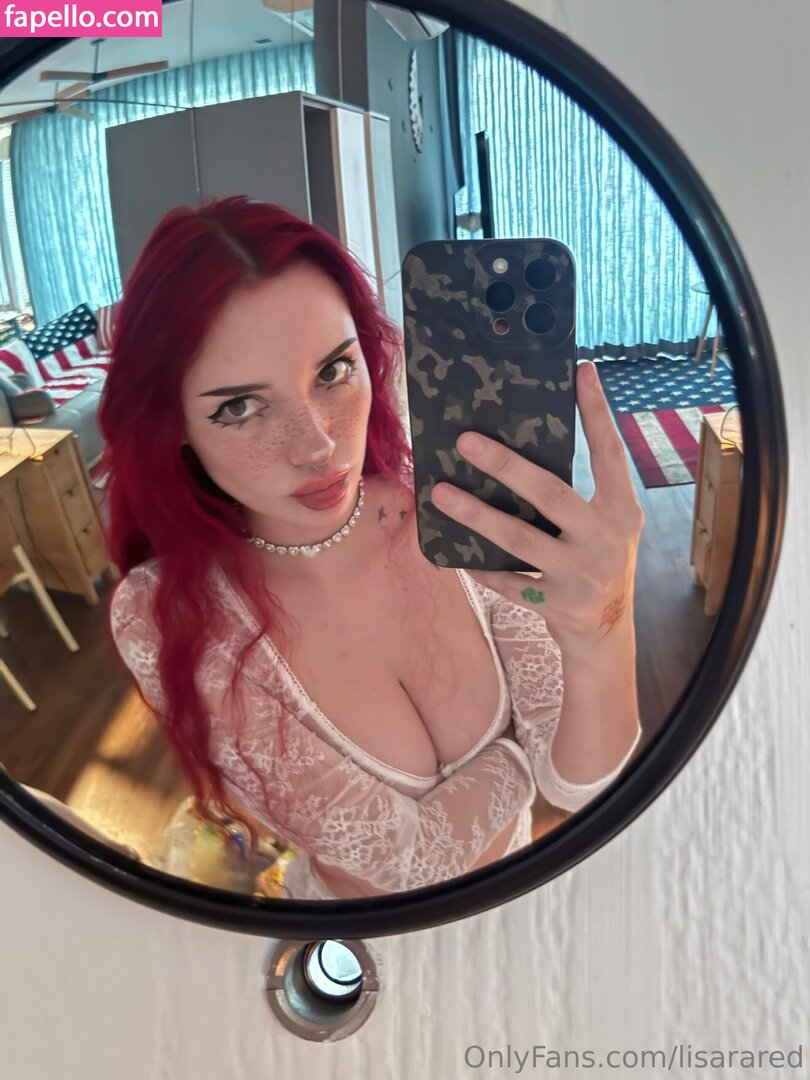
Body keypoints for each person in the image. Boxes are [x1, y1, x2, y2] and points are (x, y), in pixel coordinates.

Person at [102, 197, 644, 900]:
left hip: (517, 907)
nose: (317, 446)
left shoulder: (452, 510)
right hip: (358, 946)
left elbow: (579, 785)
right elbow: (408, 862)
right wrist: (517, 757)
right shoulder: (165, 612)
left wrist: (603, 630)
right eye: (239, 407)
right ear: (171, 420)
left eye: (333, 371)